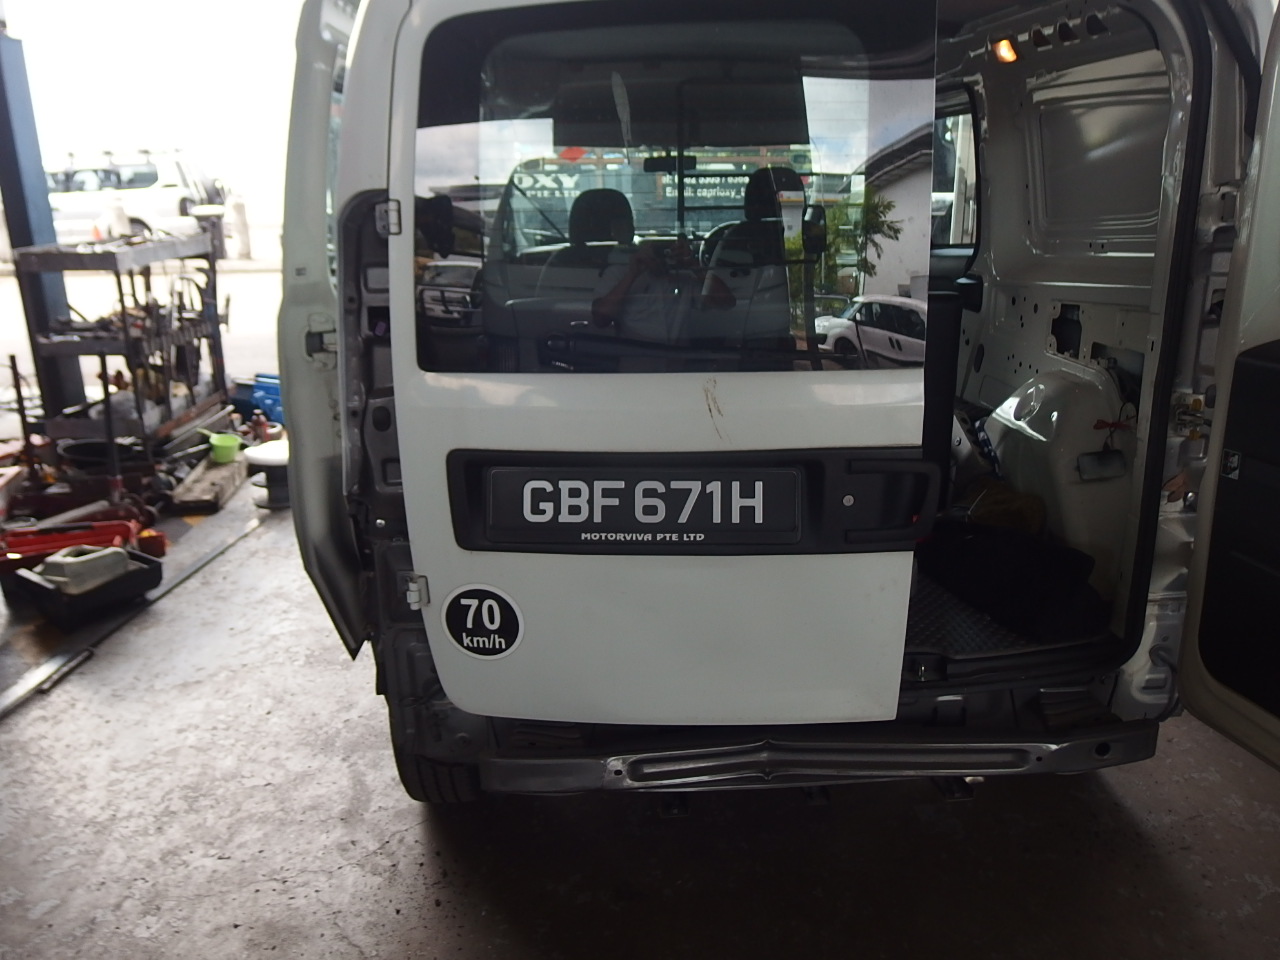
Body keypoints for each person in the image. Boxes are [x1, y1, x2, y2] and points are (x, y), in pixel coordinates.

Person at [591, 234, 735, 342]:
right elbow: (600, 319)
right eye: (656, 249)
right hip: (636, 358)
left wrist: (693, 265)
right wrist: (632, 274)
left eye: (667, 248)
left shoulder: (684, 276)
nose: (661, 254)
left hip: (678, 363)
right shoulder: (619, 273)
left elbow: (727, 302)